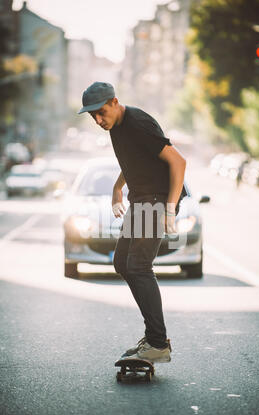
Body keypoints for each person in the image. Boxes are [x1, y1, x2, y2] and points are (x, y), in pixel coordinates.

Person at [78, 82, 186, 363]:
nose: (99, 120)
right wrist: (117, 188)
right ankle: (154, 338)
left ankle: (158, 343)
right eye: (93, 117)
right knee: (122, 262)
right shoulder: (116, 126)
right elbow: (134, 161)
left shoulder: (138, 123)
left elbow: (178, 162)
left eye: (101, 112)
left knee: (138, 266)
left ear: (114, 102)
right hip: (141, 200)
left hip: (156, 200)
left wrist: (170, 210)